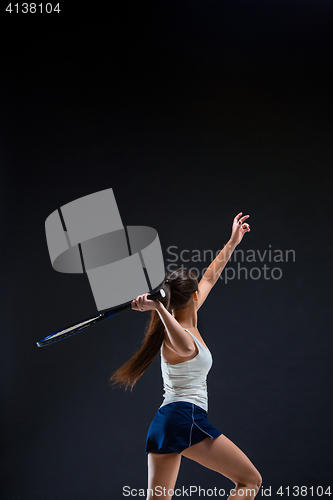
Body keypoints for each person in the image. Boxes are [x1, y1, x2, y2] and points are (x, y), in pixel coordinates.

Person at [110, 213, 262, 500]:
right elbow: (185, 346)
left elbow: (210, 275)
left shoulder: (186, 319)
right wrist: (157, 309)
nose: (201, 290)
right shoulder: (176, 335)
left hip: (165, 421)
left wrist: (233, 242)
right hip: (185, 416)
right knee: (249, 481)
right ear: (191, 297)